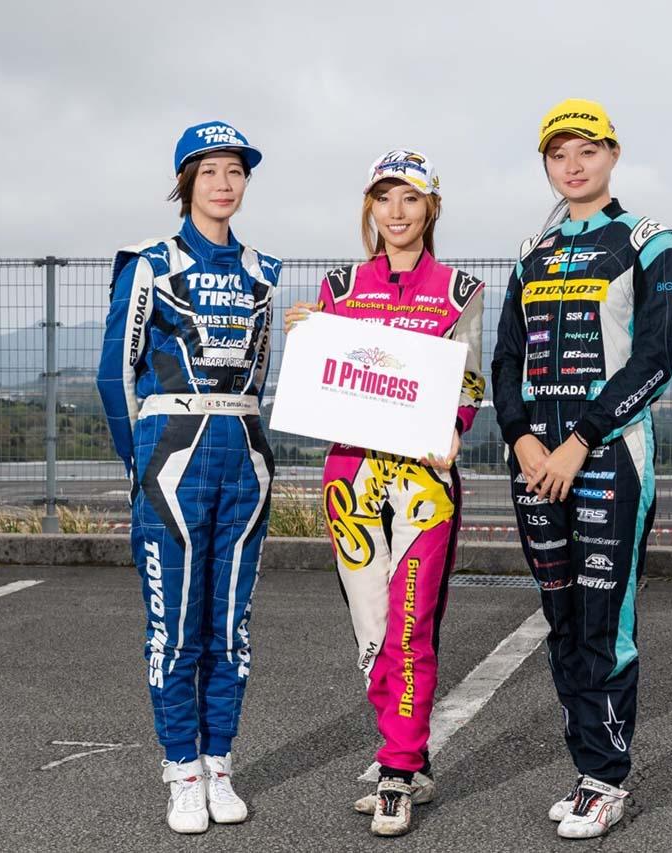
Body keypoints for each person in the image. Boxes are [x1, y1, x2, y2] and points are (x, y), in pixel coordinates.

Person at [491, 99, 672, 840]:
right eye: (558, 153)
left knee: (606, 620)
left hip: (608, 458)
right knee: (561, 617)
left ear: (613, 154)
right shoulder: (531, 252)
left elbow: (654, 359)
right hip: (534, 462)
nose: (572, 166)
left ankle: (606, 779)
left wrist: (580, 440)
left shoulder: (648, 241)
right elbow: (507, 359)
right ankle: (585, 769)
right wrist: (520, 439)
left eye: (587, 151)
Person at [282, 150, 485, 837]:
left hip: (426, 479)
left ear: (432, 208)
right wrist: (305, 338)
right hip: (351, 475)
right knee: (373, 632)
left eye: (410, 198)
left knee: (410, 623)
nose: (396, 212)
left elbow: (470, 380)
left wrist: (456, 426)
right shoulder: (338, 287)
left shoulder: (459, 289)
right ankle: (409, 754)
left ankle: (396, 769)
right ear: (369, 207)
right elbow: (321, 381)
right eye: (384, 198)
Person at [97, 120, 280, 835]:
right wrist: (138, 462)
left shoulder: (265, 271)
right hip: (170, 461)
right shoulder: (149, 264)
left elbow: (266, 375)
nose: (224, 184)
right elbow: (115, 376)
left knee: (230, 627)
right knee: (173, 628)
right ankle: (180, 769)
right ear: (186, 183)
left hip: (246, 459)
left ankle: (219, 761)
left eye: (235, 171)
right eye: (210, 172)